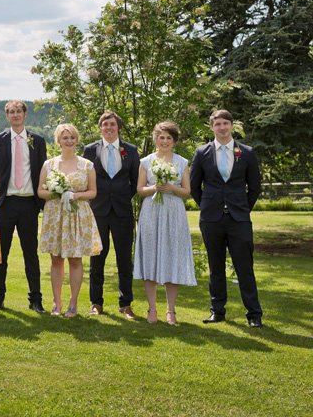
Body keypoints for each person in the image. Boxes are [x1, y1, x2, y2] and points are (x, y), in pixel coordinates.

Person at [190, 109, 263, 328]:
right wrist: (208, 206)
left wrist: (240, 208)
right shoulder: (201, 152)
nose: (222, 127)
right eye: (217, 124)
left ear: (232, 125)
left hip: (239, 219)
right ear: (211, 127)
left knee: (245, 267)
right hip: (211, 219)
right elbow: (195, 187)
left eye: (226, 123)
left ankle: (253, 314)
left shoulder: (247, 152)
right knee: (216, 267)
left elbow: (255, 188)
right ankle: (217, 311)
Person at [133, 121, 196, 325]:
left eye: (169, 137)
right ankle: (152, 309)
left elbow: (186, 192)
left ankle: (171, 311)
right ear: (155, 139)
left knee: (172, 257)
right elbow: (140, 190)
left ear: (174, 140)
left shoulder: (182, 162)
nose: (165, 141)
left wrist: (171, 187)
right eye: (161, 137)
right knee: (150, 257)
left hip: (174, 212)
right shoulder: (146, 161)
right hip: (151, 211)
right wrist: (154, 188)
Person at [37, 123, 101, 317]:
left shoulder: (87, 164)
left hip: (77, 215)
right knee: (56, 259)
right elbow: (40, 191)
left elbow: (93, 192)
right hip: (55, 215)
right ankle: (56, 302)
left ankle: (73, 303)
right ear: (58, 141)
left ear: (77, 139)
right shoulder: (49, 164)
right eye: (65, 138)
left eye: (72, 137)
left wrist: (76, 196)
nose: (69, 141)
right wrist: (56, 192)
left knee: (75, 259)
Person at [0, 100, 48, 313]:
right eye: (11, 112)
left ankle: (36, 300)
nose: (15, 115)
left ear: (25, 114)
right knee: (0, 254)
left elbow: (44, 170)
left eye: (18, 111)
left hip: (29, 204)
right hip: (6, 203)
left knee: (31, 254)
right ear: (7, 116)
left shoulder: (37, 140)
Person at [83, 111, 140, 319]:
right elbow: (85, 178)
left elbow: (135, 181)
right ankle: (96, 303)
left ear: (119, 128)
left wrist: (122, 196)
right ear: (100, 128)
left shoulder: (131, 150)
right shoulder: (90, 150)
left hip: (122, 212)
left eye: (112, 124)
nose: (109, 128)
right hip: (98, 211)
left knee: (125, 259)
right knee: (97, 259)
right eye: (105, 124)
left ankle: (125, 304)